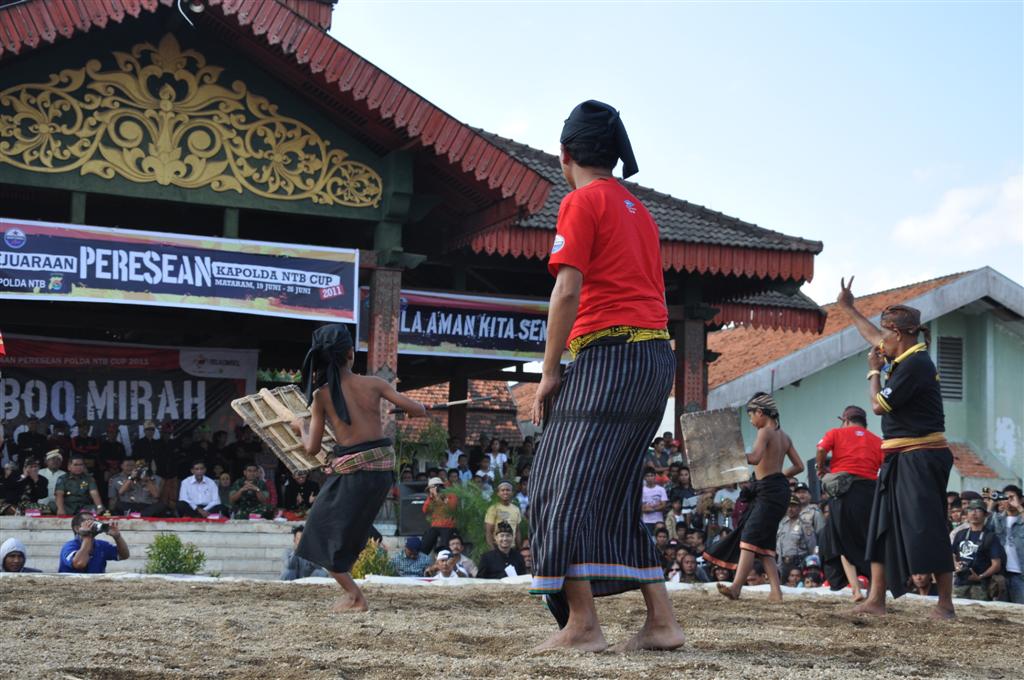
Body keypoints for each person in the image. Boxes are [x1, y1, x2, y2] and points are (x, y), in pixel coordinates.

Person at [528, 99, 682, 653]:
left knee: (553, 486)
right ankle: (661, 621)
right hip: (652, 358)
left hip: (609, 357)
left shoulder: (581, 200)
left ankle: (583, 624)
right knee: (613, 492)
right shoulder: (638, 209)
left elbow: (566, 290)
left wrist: (548, 372)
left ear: (564, 155)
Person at [838, 279, 956, 619]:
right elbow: (873, 337)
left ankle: (945, 604)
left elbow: (877, 405)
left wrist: (873, 371)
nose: (880, 342)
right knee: (883, 524)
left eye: (885, 335)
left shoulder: (916, 365)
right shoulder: (905, 355)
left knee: (926, 524)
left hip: (921, 454)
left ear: (899, 335)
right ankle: (876, 599)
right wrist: (848, 308)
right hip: (899, 455)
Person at [290, 324, 427, 612]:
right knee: (340, 533)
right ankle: (354, 594)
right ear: (351, 353)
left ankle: (355, 596)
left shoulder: (321, 396)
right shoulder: (375, 384)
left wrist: (299, 427)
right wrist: (405, 407)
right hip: (379, 476)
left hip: (353, 475)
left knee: (315, 534)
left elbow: (312, 448)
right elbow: (419, 410)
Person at [704, 393, 804, 603]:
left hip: (768, 491)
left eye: (751, 416)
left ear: (760, 412)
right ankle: (776, 592)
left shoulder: (764, 432)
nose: (750, 421)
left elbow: (755, 457)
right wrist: (779, 476)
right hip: (777, 490)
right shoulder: (784, 436)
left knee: (748, 538)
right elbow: (799, 466)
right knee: (765, 544)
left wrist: (729, 453)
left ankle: (736, 588)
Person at [815, 405, 883, 602]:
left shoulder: (836, 433)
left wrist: (821, 468)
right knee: (867, 539)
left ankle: (855, 589)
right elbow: (884, 465)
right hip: (870, 493)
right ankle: (872, 590)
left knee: (841, 539)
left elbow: (821, 448)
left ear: (845, 420)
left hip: (845, 492)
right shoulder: (877, 440)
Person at [951, 499, 1004, 601]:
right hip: (960, 583)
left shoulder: (990, 537)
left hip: (981, 586)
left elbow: (996, 565)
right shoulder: (960, 534)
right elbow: (952, 554)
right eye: (971, 510)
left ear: (985, 515)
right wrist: (956, 565)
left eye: (978, 510)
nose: (974, 513)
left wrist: (980, 576)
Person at [987, 484, 1024, 604]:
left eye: (1011, 497)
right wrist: (993, 503)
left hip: (1020, 574)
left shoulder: (1021, 517)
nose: (1008, 500)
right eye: (1005, 497)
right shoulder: (997, 518)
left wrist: (1019, 507)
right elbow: (983, 528)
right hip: (1001, 573)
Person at [58, 511, 129, 573]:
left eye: (95, 521)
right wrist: (87, 536)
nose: (93, 524)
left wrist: (117, 537)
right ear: (77, 528)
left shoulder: (100, 545)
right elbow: (79, 563)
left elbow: (123, 555)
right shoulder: (69, 546)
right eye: (89, 522)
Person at [776, 495, 817, 575]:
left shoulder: (805, 525)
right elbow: (779, 547)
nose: (790, 509)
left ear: (799, 508)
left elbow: (812, 547)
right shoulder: (782, 524)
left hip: (800, 564)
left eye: (793, 506)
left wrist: (811, 567)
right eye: (788, 506)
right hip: (784, 564)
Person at [421, 477, 459, 554]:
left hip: (448, 526)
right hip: (435, 526)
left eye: (433, 487)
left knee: (444, 548)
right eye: (430, 488)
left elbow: (451, 508)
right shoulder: (431, 498)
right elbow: (425, 510)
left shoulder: (451, 495)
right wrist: (431, 497)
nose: (432, 490)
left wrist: (441, 497)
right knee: (424, 545)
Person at [484, 481, 523, 548]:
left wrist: (519, 548)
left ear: (512, 493)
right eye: (502, 490)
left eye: (508, 490)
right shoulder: (493, 509)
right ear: (498, 493)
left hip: (512, 547)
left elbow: (517, 531)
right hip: (498, 547)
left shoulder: (516, 509)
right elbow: (488, 531)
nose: (505, 492)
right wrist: (492, 549)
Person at [641, 467, 669, 534]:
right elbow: (642, 508)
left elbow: (664, 506)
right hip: (646, 521)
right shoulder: (641, 490)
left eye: (651, 475)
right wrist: (657, 506)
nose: (650, 478)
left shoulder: (661, 489)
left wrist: (651, 509)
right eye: (647, 476)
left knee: (660, 539)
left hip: (659, 520)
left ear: (655, 476)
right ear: (644, 477)